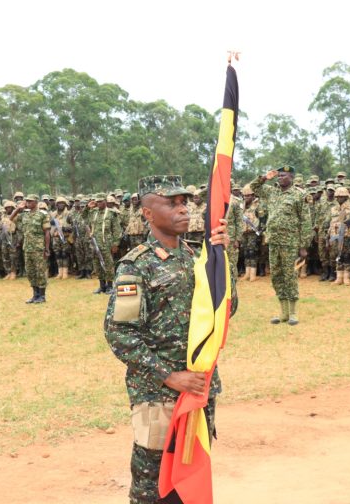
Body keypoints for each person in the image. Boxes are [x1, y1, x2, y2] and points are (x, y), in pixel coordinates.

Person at [104, 175, 235, 504]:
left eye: (184, 202)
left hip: (199, 388)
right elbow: (120, 333)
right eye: (171, 203)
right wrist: (169, 375)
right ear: (148, 213)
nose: (183, 209)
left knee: (189, 478)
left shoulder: (197, 256)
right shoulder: (137, 265)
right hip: (158, 393)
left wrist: (221, 258)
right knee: (153, 485)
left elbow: (226, 311)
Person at [249, 166, 312, 325]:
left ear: (291, 177)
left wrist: (303, 245)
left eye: (283, 175)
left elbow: (305, 221)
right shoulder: (272, 192)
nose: (280, 178)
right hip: (274, 241)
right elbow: (254, 187)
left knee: (290, 275)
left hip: (290, 242)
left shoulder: (299, 195)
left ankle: (293, 312)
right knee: (276, 275)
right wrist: (264, 177)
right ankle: (283, 312)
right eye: (279, 175)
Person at [10, 194, 51, 303]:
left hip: (38, 248)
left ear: (36, 202)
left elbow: (47, 233)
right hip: (27, 247)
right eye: (27, 201)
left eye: (30, 201)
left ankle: (42, 296)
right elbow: (11, 218)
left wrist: (46, 249)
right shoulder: (24, 215)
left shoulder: (43, 214)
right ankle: (35, 295)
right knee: (30, 272)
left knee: (40, 272)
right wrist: (18, 209)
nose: (28, 203)